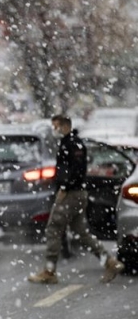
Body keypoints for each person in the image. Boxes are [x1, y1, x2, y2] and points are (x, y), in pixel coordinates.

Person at [28, 115, 125, 284]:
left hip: (71, 194)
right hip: (77, 193)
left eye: (56, 126)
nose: (54, 130)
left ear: (65, 126)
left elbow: (75, 170)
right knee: (81, 232)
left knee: (53, 228)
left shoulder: (71, 144)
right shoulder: (72, 142)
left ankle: (49, 271)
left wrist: (65, 187)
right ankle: (109, 261)